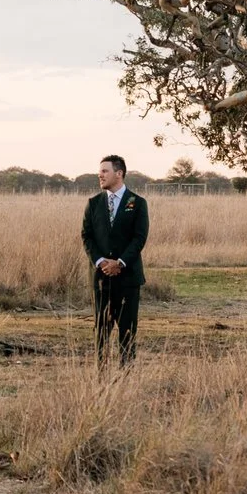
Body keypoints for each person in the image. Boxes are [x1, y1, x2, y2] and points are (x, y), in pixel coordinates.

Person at [81, 154, 148, 366]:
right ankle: (100, 374)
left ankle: (125, 376)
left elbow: (139, 238)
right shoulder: (93, 204)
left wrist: (119, 263)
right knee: (101, 329)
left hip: (128, 278)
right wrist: (101, 261)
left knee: (127, 331)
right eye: (99, 171)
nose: (99, 175)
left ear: (119, 174)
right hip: (102, 279)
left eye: (104, 171)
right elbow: (87, 236)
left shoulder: (137, 203)